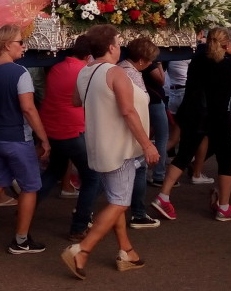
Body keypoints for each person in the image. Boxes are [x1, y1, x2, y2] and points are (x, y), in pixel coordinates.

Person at [61, 25, 159, 280]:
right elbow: (127, 111)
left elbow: (75, 100)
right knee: (119, 202)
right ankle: (82, 250)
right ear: (112, 47)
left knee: (117, 200)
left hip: (97, 145)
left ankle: (126, 251)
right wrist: (148, 144)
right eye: (118, 41)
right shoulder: (114, 72)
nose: (120, 45)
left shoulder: (86, 71)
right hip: (119, 147)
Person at [154, 27, 231, 222]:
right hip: (219, 116)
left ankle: (163, 196)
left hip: (194, 113)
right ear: (226, 44)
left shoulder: (197, 61)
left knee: (183, 154)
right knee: (225, 161)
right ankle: (223, 206)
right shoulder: (230, 66)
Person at [0, 24, 51, 254]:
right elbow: (28, 108)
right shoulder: (19, 72)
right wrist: (43, 138)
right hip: (16, 137)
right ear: (7, 45)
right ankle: (21, 239)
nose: (23, 47)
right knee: (30, 187)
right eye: (20, 42)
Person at [37, 35, 100, 241]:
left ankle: (26, 208)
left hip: (53, 129)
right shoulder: (84, 72)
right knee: (92, 177)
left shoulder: (58, 67)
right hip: (72, 130)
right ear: (89, 56)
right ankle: (79, 225)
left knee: (54, 170)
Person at [115, 37, 163, 229]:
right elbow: (132, 109)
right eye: (150, 60)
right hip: (132, 131)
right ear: (142, 60)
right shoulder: (131, 75)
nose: (151, 63)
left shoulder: (123, 68)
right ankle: (138, 213)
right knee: (132, 171)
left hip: (129, 130)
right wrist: (146, 141)